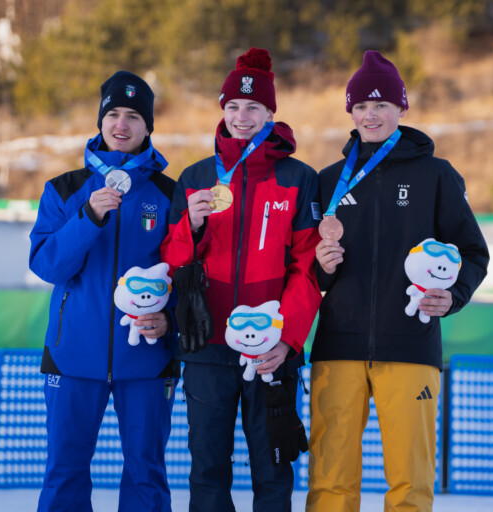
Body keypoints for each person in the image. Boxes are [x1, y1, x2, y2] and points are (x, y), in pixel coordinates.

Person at [307, 51, 490, 512]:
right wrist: (320, 265)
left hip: (411, 344)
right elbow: (306, 269)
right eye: (361, 106)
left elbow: (473, 252)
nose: (370, 115)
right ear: (350, 112)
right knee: (329, 480)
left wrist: (453, 295)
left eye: (381, 105)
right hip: (337, 346)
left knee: (410, 482)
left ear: (401, 108)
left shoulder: (436, 175)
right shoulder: (328, 180)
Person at [161, 47, 322, 511]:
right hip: (207, 348)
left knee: (273, 472)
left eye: (253, 107)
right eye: (232, 106)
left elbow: (307, 269)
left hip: (271, 351)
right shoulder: (195, 177)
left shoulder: (298, 178)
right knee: (208, 471)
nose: (241, 117)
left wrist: (287, 341)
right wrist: (190, 227)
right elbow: (172, 262)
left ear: (271, 112)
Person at [29, 70, 178, 512]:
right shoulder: (65, 190)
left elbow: (188, 274)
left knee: (147, 474)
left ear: (148, 126)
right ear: (100, 121)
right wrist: (88, 219)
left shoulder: (170, 195)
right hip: (72, 355)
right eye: (113, 114)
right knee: (65, 472)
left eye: (134, 116)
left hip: (148, 357)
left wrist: (169, 319)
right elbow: (48, 265)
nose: (121, 124)